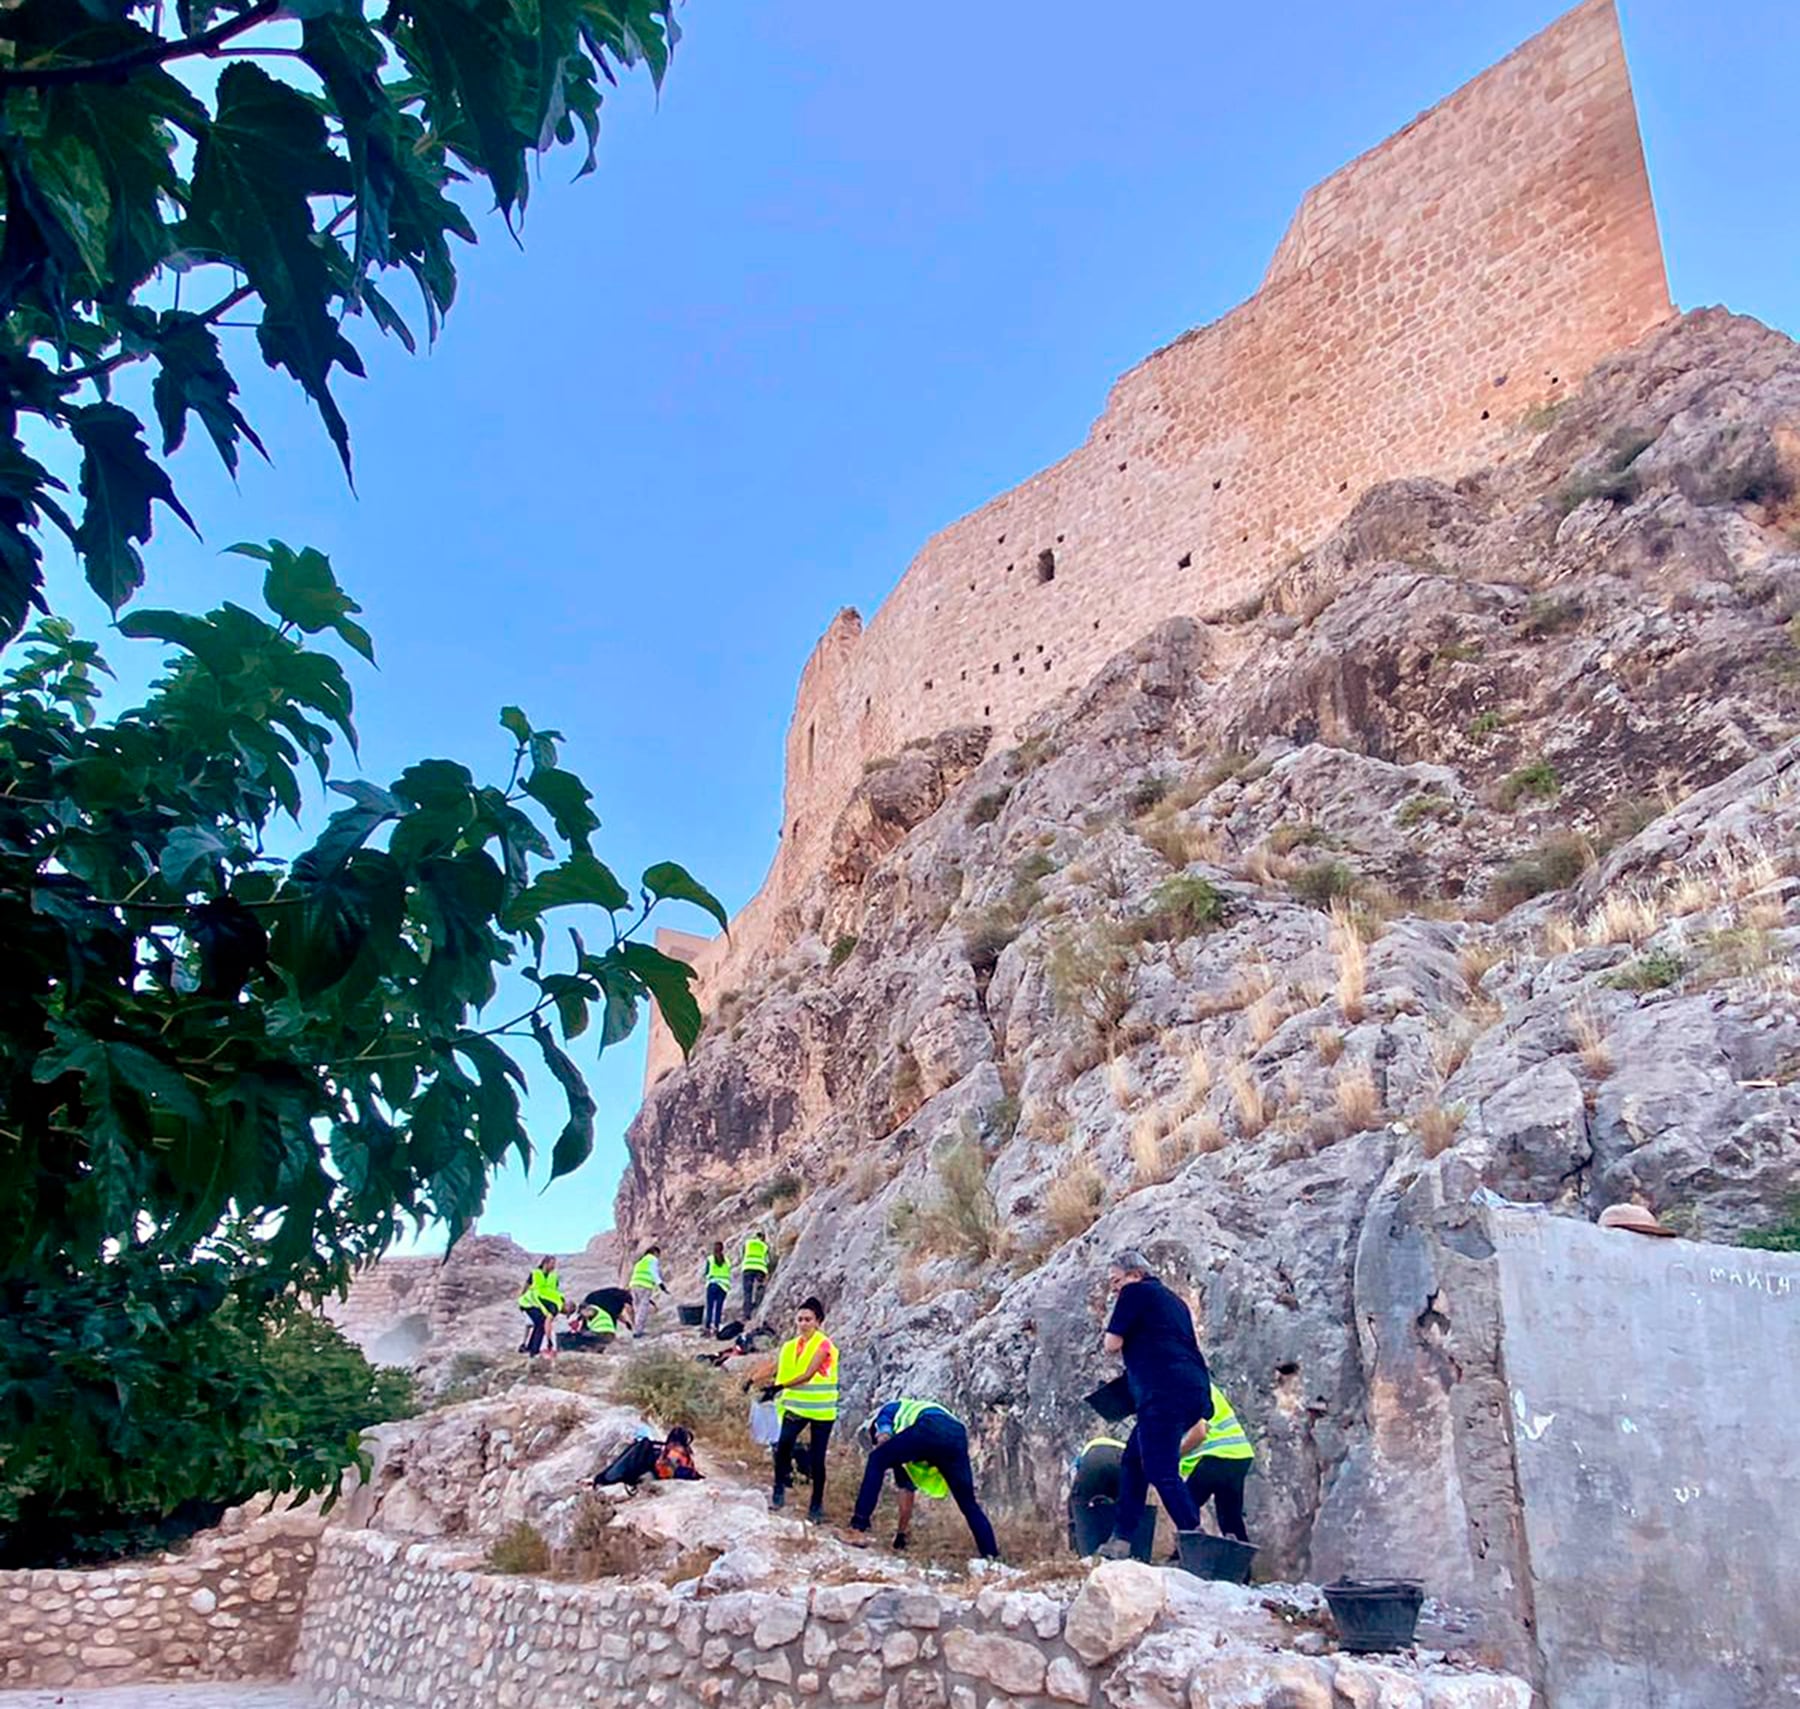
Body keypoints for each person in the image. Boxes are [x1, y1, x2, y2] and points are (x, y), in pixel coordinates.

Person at [1096, 1248, 1212, 1559]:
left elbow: (1111, 1344)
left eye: (1116, 1280)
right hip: (1193, 1391)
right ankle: (1121, 1540)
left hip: (1162, 1392)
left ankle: (1195, 1539)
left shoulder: (1135, 1292)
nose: (1114, 1287)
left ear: (1135, 1274)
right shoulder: (1175, 1301)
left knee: (1160, 1468)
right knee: (1134, 1461)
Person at [844, 1399, 1000, 1560]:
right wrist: (901, 1535)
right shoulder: (909, 1432)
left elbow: (883, 1431)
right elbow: (906, 1488)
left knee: (876, 1460)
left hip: (929, 1426)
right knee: (968, 1503)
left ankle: (858, 1527)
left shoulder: (889, 1410)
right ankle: (991, 1555)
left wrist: (882, 1442)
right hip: (957, 1435)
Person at [764, 1296, 837, 1521]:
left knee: (817, 1458)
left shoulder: (824, 1344)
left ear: (818, 1322)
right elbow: (779, 1367)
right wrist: (757, 1379)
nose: (803, 1323)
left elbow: (808, 1374)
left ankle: (816, 1505)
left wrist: (778, 1386)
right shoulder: (790, 1346)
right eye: (800, 1319)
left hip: (821, 1411)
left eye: (808, 1319)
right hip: (795, 1407)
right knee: (783, 1446)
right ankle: (778, 1490)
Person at [1177, 1382, 1255, 1543]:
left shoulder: (1187, 1384)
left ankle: (1183, 1555)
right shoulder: (1199, 1382)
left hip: (1217, 1455)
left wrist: (1170, 1456)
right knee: (1230, 1520)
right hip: (1238, 1454)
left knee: (1184, 1506)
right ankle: (1240, 1565)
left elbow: (1199, 1433)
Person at [515, 1256, 564, 1358]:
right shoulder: (535, 1273)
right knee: (540, 1323)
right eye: (552, 1263)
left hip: (542, 1304)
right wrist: (520, 1299)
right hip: (530, 1302)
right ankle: (533, 1350)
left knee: (540, 1324)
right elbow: (526, 1286)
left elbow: (555, 1291)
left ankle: (530, 1348)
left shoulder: (554, 1277)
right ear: (545, 1263)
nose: (554, 1266)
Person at [630, 1244, 669, 1333]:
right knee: (643, 1308)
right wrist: (661, 1285)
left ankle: (634, 1328)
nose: (659, 1257)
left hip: (634, 1285)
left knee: (637, 1308)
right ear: (655, 1252)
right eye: (658, 1255)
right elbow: (654, 1272)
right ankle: (638, 1331)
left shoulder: (640, 1262)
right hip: (645, 1286)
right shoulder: (652, 1259)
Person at [702, 1241, 732, 1335]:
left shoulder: (710, 1259)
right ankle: (716, 1327)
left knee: (710, 1307)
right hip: (723, 1286)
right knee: (719, 1307)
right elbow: (728, 1272)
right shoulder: (727, 1260)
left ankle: (707, 1328)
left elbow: (706, 1272)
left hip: (713, 1284)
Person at [741, 1231, 771, 1316]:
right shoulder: (764, 1246)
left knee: (747, 1291)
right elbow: (767, 1260)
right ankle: (758, 1307)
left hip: (747, 1268)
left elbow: (742, 1255)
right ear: (763, 1238)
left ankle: (747, 1313)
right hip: (760, 1269)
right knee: (759, 1287)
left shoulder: (748, 1243)